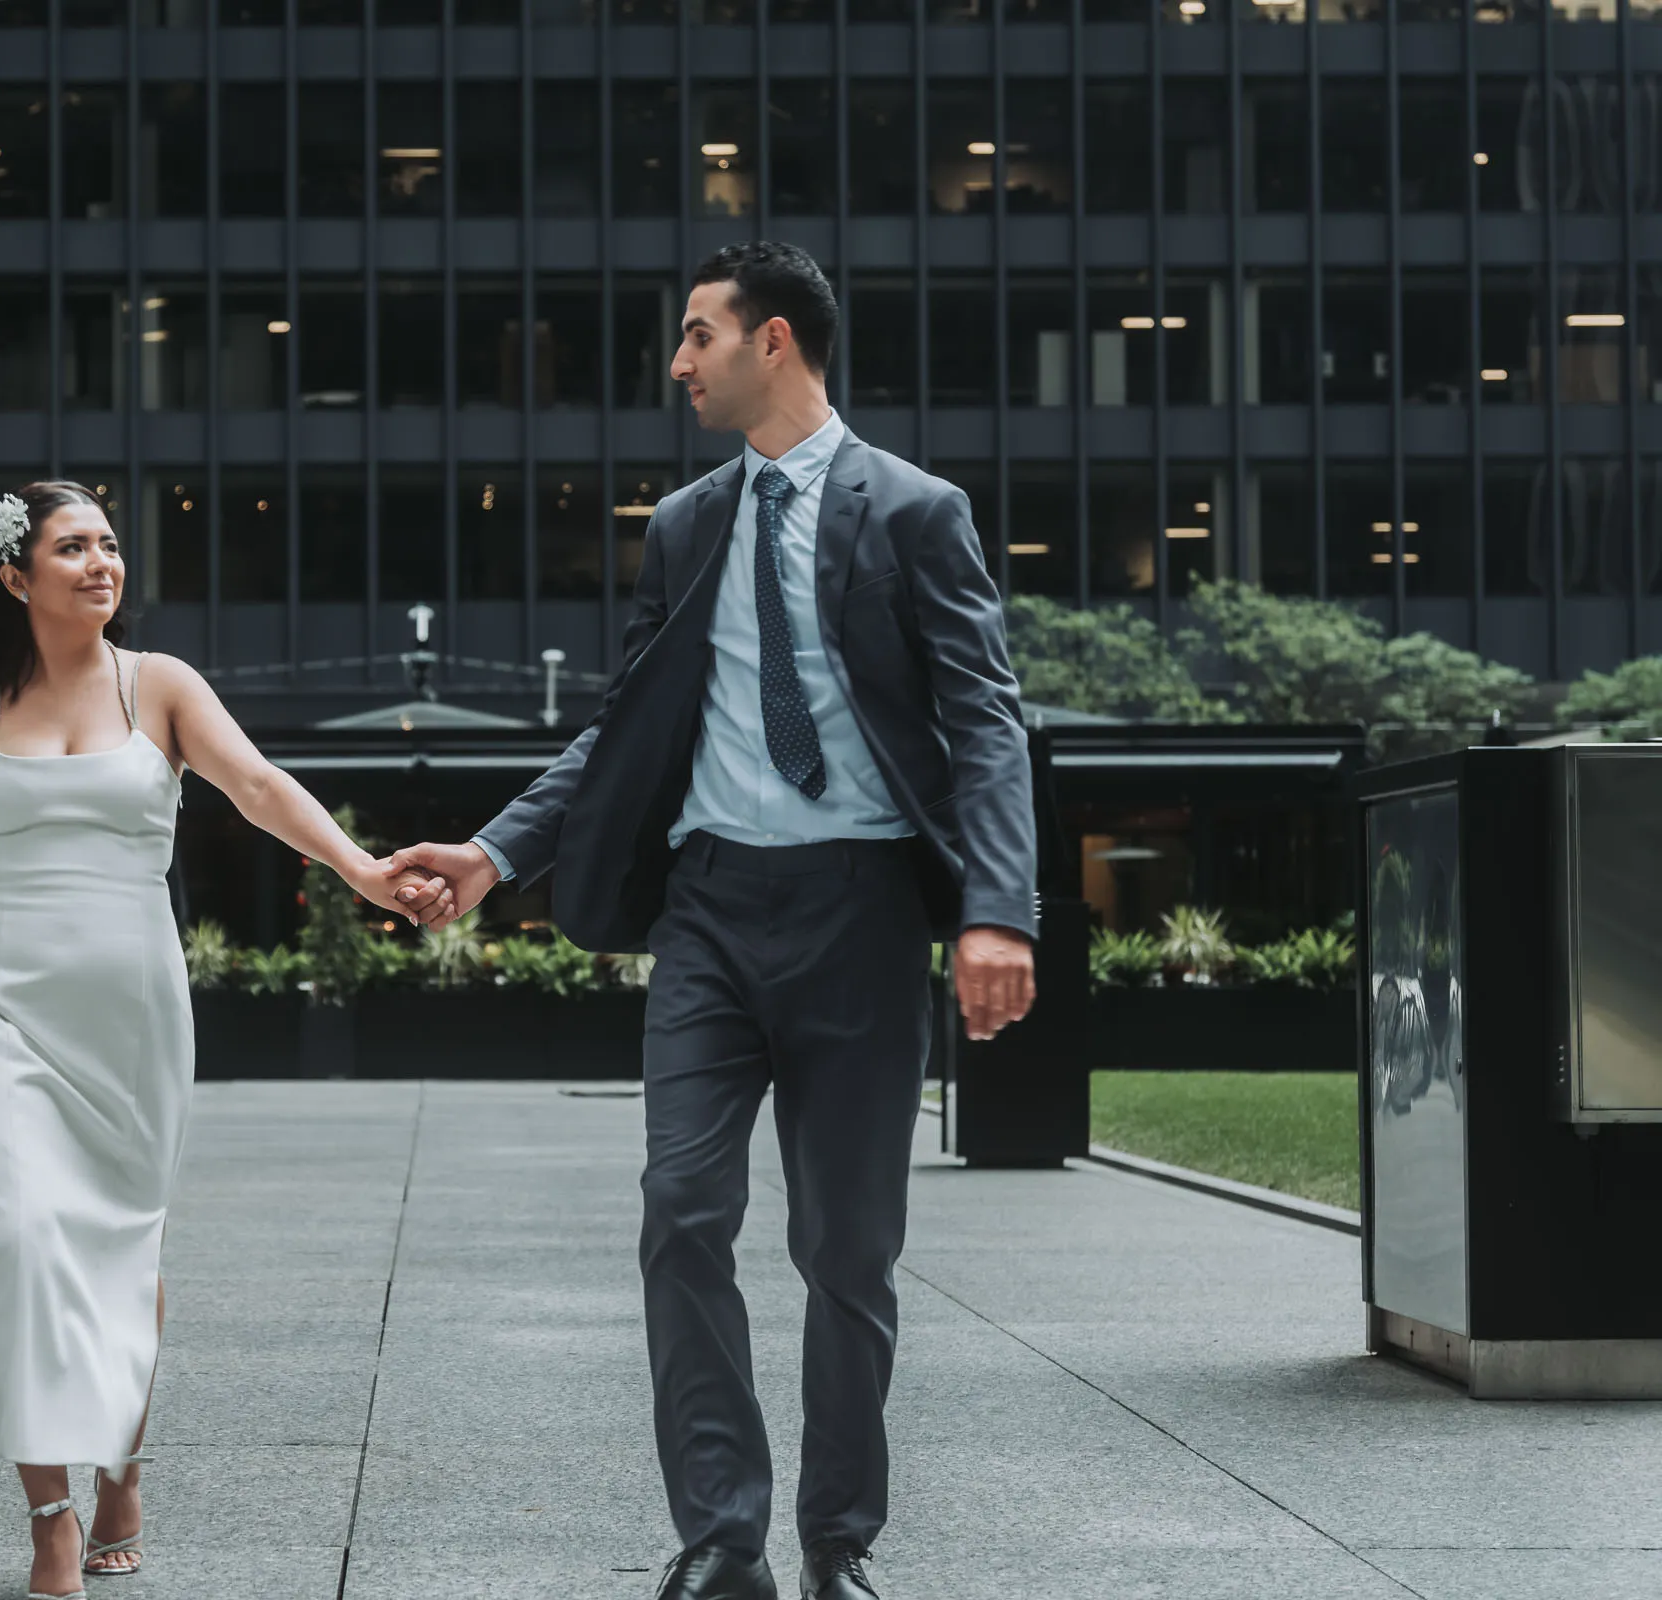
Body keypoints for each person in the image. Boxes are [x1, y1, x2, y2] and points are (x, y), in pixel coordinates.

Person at [391, 242, 1039, 1600]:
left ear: (777, 342)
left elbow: (985, 722)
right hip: (710, 913)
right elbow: (625, 733)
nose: (678, 365)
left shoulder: (916, 512)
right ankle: (722, 1537)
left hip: (862, 916)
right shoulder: (685, 525)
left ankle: (838, 1545)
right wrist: (502, 852)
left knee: (846, 1249)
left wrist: (997, 910)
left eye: (697, 336)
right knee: (682, 1213)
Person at [0, 482, 451, 1600]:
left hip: (129, 1016)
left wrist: (366, 871)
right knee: (19, 1238)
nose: (101, 563)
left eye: (109, 544)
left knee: (121, 1253)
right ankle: (50, 1516)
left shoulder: (163, 686)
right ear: (15, 576)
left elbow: (259, 786)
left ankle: (124, 1459)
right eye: (71, 547)